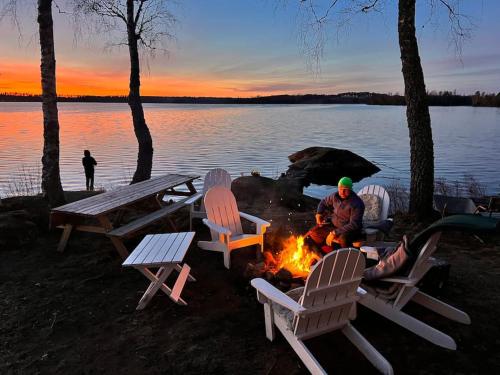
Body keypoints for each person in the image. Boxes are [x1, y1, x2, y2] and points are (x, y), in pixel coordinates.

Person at [305, 176, 365, 252]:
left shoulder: (357, 203)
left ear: (350, 189)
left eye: (345, 190)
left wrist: (334, 233)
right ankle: (322, 253)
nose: (342, 192)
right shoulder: (334, 196)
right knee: (314, 232)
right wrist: (319, 214)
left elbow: (354, 224)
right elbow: (323, 202)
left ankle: (346, 256)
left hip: (349, 230)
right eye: (340, 188)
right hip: (334, 225)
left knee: (343, 239)